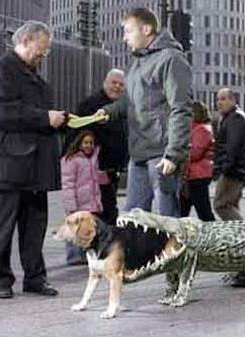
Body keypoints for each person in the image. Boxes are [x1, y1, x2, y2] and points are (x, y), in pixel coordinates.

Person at [0, 21, 67, 298]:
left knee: (35, 225)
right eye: (41, 50)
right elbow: (0, 113)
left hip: (35, 165)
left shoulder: (31, 74)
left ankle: (35, 277)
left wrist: (61, 120)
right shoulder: (0, 70)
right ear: (27, 40)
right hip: (11, 162)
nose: (43, 55)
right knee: (5, 225)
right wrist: (45, 117)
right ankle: (1, 280)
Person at [97, 7, 192, 217]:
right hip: (139, 153)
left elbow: (181, 108)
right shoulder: (139, 61)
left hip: (161, 154)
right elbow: (130, 101)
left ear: (147, 29)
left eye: (129, 31)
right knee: (132, 219)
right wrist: (107, 111)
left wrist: (174, 154)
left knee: (165, 221)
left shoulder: (171, 59)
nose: (124, 38)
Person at [63, 69, 127, 226]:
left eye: (121, 84)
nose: (117, 87)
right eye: (114, 83)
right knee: (98, 217)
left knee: (108, 213)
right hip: (93, 174)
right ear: (105, 83)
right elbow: (76, 138)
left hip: (111, 172)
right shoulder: (89, 105)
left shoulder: (121, 108)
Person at [213, 88, 245, 287]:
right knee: (230, 208)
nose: (219, 102)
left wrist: (224, 169)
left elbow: (233, 147)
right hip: (235, 171)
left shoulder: (235, 119)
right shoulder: (232, 118)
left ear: (233, 100)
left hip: (232, 173)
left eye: (223, 99)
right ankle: (243, 267)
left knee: (221, 206)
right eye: (218, 99)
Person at [61, 131, 110, 265]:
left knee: (88, 230)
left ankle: (87, 254)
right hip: (78, 204)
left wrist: (105, 177)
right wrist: (71, 205)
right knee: (74, 230)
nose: (89, 146)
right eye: (86, 142)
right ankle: (74, 256)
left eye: (91, 143)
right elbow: (68, 184)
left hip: (91, 202)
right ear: (79, 143)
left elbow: (95, 178)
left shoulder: (93, 159)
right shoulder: (71, 160)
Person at [179, 101, 215, 221]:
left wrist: (180, 152)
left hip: (198, 176)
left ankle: (213, 235)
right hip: (191, 176)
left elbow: (195, 153)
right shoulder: (195, 129)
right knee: (182, 210)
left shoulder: (202, 130)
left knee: (203, 212)